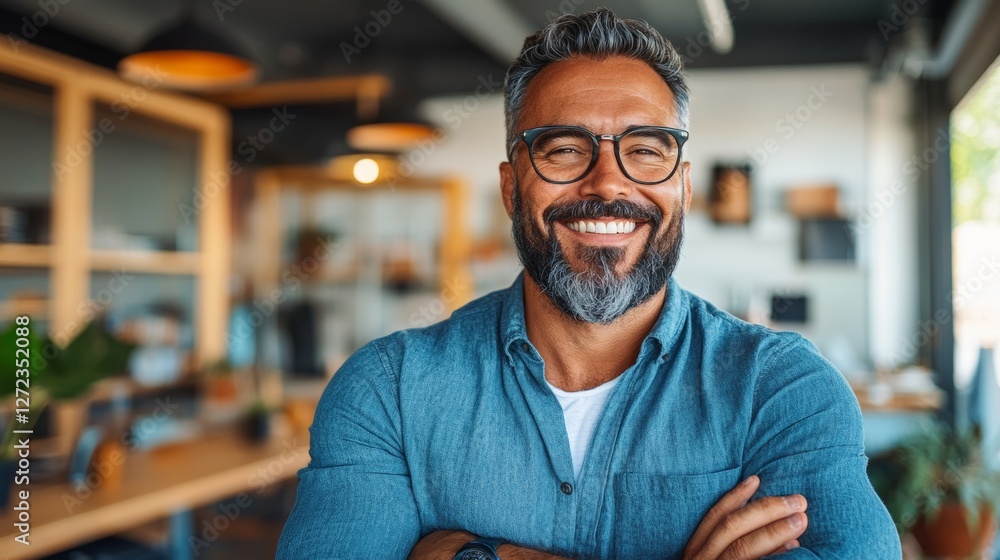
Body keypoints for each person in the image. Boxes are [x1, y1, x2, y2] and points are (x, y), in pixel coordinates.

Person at [277, 8, 901, 559]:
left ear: (682, 186)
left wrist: (468, 554)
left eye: (647, 149)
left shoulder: (781, 389)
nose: (608, 183)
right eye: (563, 149)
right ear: (510, 185)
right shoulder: (388, 391)